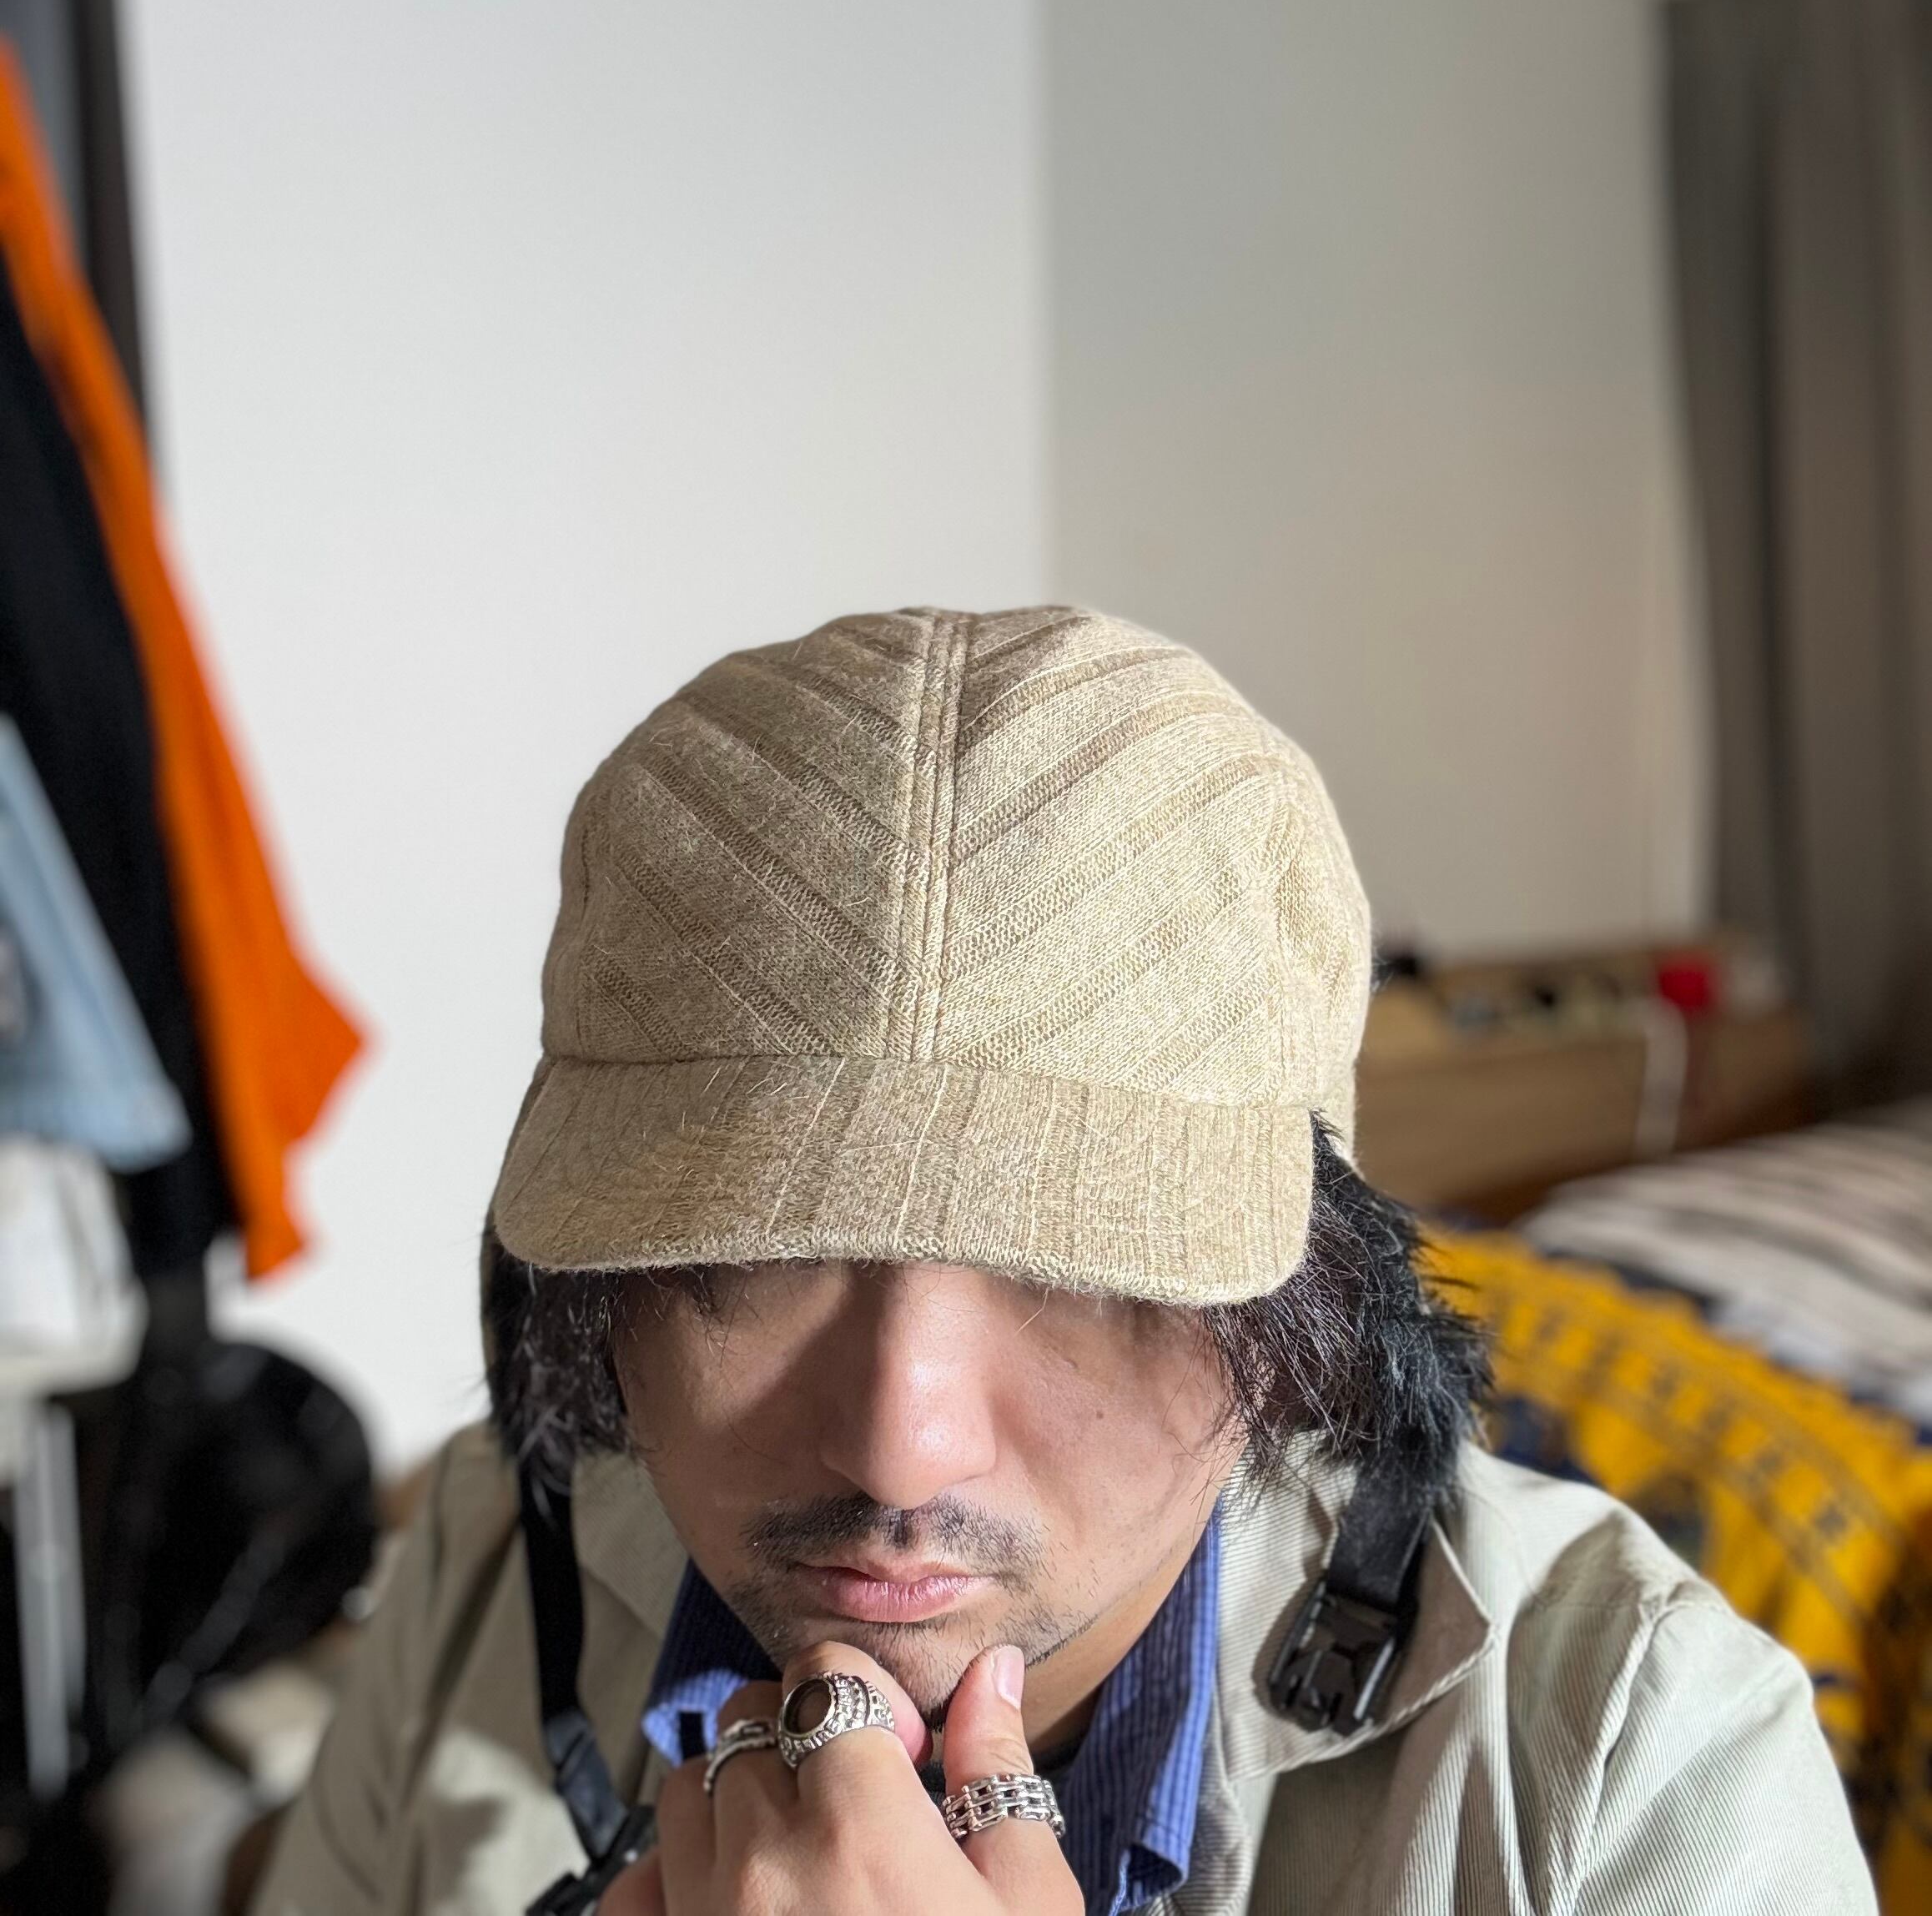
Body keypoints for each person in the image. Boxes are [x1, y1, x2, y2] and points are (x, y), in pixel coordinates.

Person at [250, 607, 1874, 1916]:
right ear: (587, 1300)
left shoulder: (1641, 1767)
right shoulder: (483, 1569)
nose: (901, 1447)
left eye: (1088, 1267)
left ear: (1306, 1318)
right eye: (749, 1253)